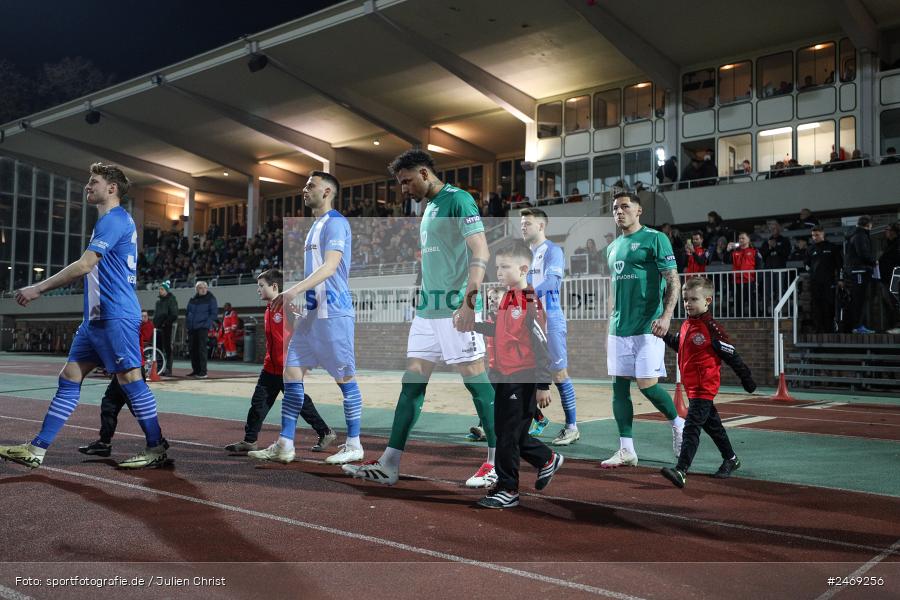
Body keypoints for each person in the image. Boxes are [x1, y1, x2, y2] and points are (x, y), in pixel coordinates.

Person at [344, 149, 497, 487]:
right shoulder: (428, 209)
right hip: (427, 311)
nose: (403, 189)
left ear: (425, 174)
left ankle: (496, 462)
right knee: (411, 382)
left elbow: (481, 251)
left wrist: (470, 303)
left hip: (457, 307)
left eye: (406, 182)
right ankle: (390, 462)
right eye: (400, 184)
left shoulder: (459, 200)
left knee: (475, 381)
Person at [1, 163, 167, 469]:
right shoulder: (107, 222)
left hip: (116, 315)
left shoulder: (115, 220)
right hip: (95, 319)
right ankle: (37, 449)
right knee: (68, 377)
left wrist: (39, 288)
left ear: (112, 188)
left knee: (131, 379)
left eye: (94, 182)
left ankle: (156, 447)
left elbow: (84, 265)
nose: (87, 187)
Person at [253, 171, 365, 466]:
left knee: (345, 378)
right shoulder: (314, 226)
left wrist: (293, 291)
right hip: (313, 316)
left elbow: (330, 267)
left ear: (327, 191)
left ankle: (354, 444)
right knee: (291, 374)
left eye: (310, 185)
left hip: (334, 314)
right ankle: (285, 444)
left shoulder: (336, 222)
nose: (304, 189)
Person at [471, 241, 564, 508]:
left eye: (504, 267)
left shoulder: (529, 300)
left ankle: (508, 489)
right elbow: (500, 333)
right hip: (504, 376)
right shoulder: (508, 298)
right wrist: (473, 326)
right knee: (507, 432)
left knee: (509, 436)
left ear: (523, 268)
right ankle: (546, 459)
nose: (498, 272)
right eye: (497, 266)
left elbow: (541, 344)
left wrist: (543, 384)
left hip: (522, 377)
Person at [601, 191, 685, 469]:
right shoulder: (612, 248)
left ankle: (678, 423)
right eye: (615, 208)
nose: (619, 212)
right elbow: (614, 290)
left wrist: (667, 315)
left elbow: (673, 279)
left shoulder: (655, 239)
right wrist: (608, 327)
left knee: (647, 386)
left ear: (639, 211)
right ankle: (626, 449)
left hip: (648, 327)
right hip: (618, 329)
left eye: (625, 206)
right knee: (619, 389)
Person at [224, 269, 337, 455]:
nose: (258, 290)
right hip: (270, 368)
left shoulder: (288, 307)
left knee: (301, 404)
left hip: (288, 368)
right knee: (258, 404)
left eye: (261, 286)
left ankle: (325, 432)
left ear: (274, 286)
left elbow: (307, 330)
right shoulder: (269, 309)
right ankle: (250, 441)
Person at [658, 277, 756, 488]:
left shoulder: (712, 329)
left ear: (708, 301)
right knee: (714, 427)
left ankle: (681, 469)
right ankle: (731, 459)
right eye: (685, 299)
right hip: (692, 387)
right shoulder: (686, 325)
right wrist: (665, 335)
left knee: (692, 427)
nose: (687, 304)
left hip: (704, 387)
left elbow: (733, 356)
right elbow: (680, 346)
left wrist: (747, 380)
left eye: (693, 299)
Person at [520, 208, 579, 445]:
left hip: (550, 318)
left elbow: (553, 282)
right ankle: (536, 419)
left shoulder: (553, 251)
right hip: (529, 321)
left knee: (558, 372)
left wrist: (525, 296)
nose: (523, 226)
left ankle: (572, 427)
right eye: (521, 223)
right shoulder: (524, 254)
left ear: (542, 226)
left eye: (527, 223)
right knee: (523, 371)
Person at [805, 226, 843, 333]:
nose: (815, 237)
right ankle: (818, 329)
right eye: (813, 235)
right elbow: (806, 265)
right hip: (815, 282)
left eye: (817, 235)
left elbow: (840, 265)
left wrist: (840, 279)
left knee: (828, 304)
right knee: (816, 305)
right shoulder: (810, 249)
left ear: (823, 234)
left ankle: (829, 328)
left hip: (829, 282)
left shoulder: (832, 247)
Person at [845, 215, 876, 334]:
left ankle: (857, 325)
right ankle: (857, 326)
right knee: (859, 299)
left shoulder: (855, 234)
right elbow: (863, 253)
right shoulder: (860, 236)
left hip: (857, 271)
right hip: (859, 272)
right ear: (869, 225)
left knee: (858, 299)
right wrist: (874, 261)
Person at [185, 281, 217, 378]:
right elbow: (188, 313)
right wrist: (188, 324)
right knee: (192, 349)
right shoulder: (192, 299)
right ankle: (196, 370)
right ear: (197, 289)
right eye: (200, 288)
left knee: (201, 349)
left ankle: (203, 372)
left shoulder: (211, 299)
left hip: (202, 328)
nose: (203, 289)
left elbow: (213, 314)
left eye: (205, 287)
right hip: (192, 328)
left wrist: (206, 325)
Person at [727, 233, 762, 316]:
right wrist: (728, 250)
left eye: (743, 238)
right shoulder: (735, 251)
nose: (741, 240)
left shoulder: (754, 251)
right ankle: (739, 318)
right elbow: (726, 261)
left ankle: (755, 317)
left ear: (748, 239)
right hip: (737, 280)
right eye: (739, 238)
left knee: (752, 300)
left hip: (750, 280)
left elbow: (759, 267)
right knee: (738, 301)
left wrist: (757, 280)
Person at [877, 223, 900, 334]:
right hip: (885, 279)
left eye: (888, 230)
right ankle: (892, 325)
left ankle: (897, 325)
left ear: (893, 232)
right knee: (889, 303)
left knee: (894, 302)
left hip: (893, 279)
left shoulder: (897, 244)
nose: (886, 232)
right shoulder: (889, 244)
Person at [153, 280, 178, 376]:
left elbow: (174, 314)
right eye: (159, 289)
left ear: (167, 290)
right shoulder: (158, 302)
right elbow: (156, 315)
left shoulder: (172, 300)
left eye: (162, 289)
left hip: (167, 327)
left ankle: (168, 369)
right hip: (157, 328)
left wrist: (165, 323)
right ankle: (159, 368)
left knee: (167, 348)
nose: (160, 291)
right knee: (158, 348)